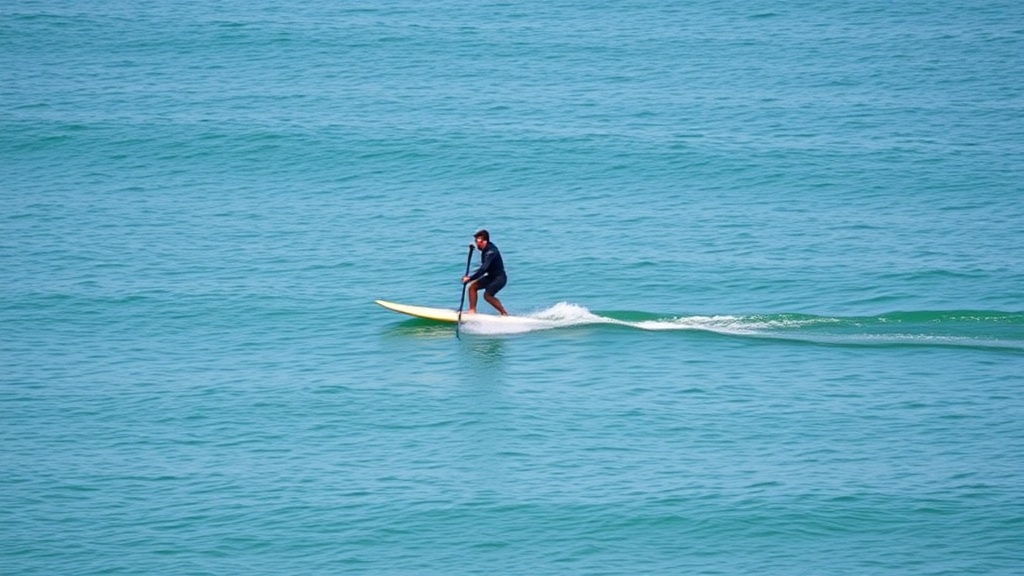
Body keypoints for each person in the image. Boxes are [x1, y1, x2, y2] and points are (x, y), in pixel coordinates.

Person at [462, 229, 508, 315]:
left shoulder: (491, 252)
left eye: (478, 242)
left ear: (484, 241)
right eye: (476, 241)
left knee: (487, 296)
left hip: (499, 278)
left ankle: (504, 313)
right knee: (472, 288)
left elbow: (483, 269)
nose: (476, 244)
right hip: (491, 276)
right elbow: (484, 269)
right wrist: (471, 276)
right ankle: (472, 311)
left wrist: (470, 278)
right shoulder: (485, 250)